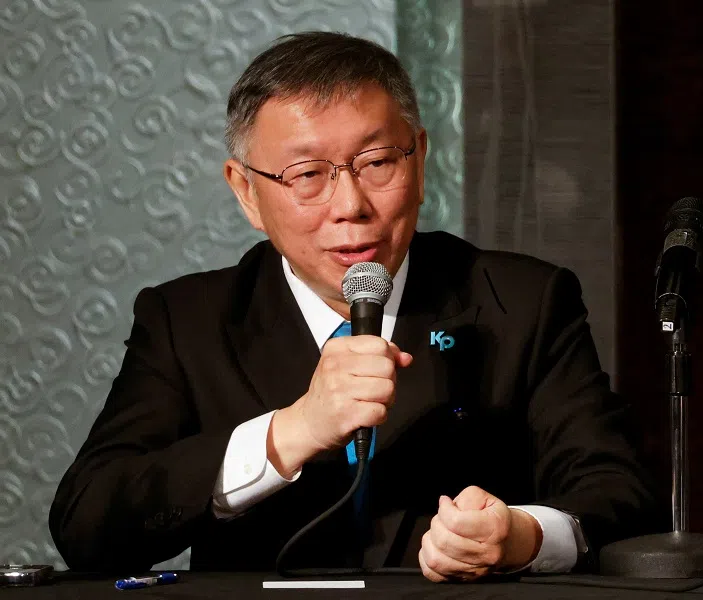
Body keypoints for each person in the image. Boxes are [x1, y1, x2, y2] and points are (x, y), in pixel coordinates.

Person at [49, 32, 659, 580]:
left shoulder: (521, 302)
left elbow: (619, 492)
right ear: (246, 192)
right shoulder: (187, 321)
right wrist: (292, 432)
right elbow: (87, 524)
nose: (350, 205)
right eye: (307, 174)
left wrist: (522, 537)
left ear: (419, 160)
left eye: (376, 163)